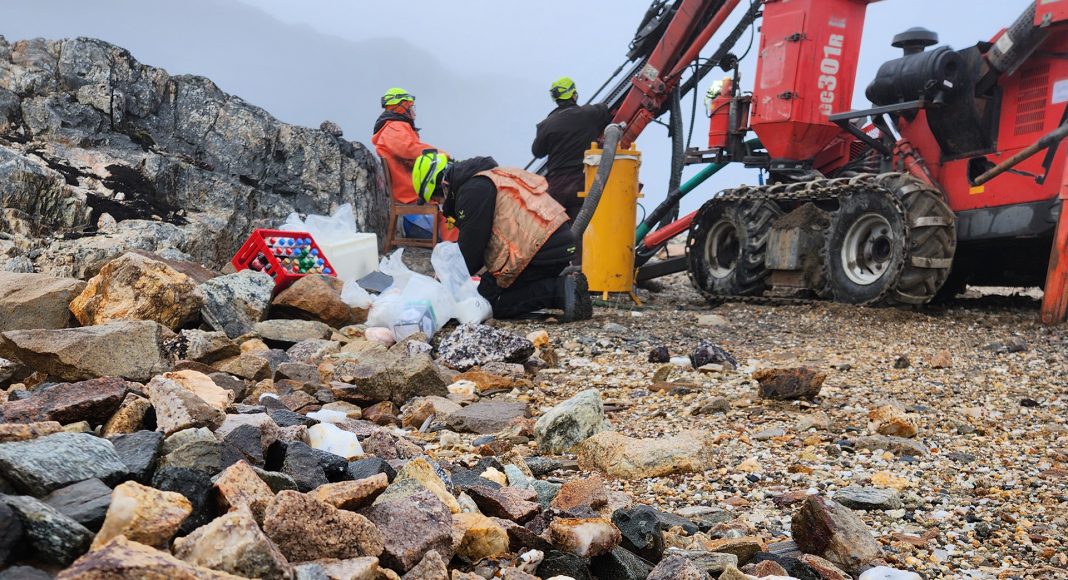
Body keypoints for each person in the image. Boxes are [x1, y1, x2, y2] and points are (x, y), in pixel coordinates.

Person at [411, 150, 593, 321]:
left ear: (442, 185)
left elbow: (472, 252)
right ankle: (568, 287)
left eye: (435, 199)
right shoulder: (487, 178)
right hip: (551, 243)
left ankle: (559, 291)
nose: (439, 204)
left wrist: (445, 284)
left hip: (540, 249)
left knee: (487, 302)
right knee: (493, 287)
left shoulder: (472, 191)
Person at [371, 87, 457, 241]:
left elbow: (411, 152)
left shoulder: (395, 127)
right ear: (401, 106)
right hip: (410, 195)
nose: (413, 111)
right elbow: (409, 148)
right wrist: (440, 154)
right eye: (410, 106)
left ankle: (454, 240)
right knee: (455, 202)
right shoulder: (393, 128)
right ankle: (454, 244)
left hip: (412, 192)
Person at [531, 77, 613, 221]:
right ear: (574, 95)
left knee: (559, 228)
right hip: (584, 183)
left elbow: (537, 152)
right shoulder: (589, 113)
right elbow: (607, 110)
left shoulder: (546, 125)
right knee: (584, 227)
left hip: (557, 188)